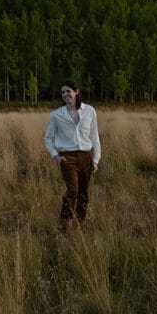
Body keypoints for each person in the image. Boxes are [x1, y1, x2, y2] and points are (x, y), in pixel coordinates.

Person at [43, 80, 101, 232]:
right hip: (67, 158)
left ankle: (80, 223)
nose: (65, 95)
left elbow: (95, 137)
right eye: (63, 92)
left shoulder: (89, 111)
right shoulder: (56, 115)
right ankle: (64, 224)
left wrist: (95, 160)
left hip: (86, 157)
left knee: (84, 192)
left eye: (68, 91)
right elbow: (48, 139)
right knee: (72, 191)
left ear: (76, 92)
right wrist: (56, 156)